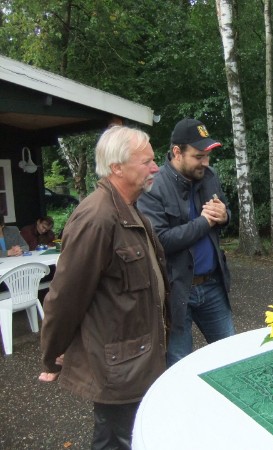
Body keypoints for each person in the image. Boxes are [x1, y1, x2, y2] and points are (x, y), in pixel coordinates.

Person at [38, 126, 169, 450]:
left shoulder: (129, 208)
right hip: (119, 369)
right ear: (117, 167)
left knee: (132, 437)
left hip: (138, 359)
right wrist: (52, 355)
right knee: (117, 440)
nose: (155, 168)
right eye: (146, 161)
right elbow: (65, 298)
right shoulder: (97, 217)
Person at [137, 118, 235, 367]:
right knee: (178, 364)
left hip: (212, 285)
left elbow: (225, 212)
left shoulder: (209, 177)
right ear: (177, 152)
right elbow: (159, 241)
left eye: (208, 156)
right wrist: (205, 222)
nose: (206, 162)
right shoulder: (154, 186)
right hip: (176, 290)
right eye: (199, 156)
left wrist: (224, 216)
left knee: (231, 356)